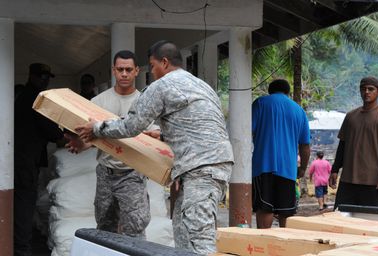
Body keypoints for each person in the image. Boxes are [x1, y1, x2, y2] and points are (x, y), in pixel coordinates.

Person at [74, 40, 234, 255]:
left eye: (152, 65)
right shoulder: (200, 85)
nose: (152, 71)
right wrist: (162, 134)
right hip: (212, 165)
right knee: (182, 226)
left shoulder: (163, 85)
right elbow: (199, 124)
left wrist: (97, 128)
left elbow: (130, 126)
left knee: (198, 235)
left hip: (201, 168)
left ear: (164, 62)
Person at [65, 50, 153, 239]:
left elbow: (151, 140)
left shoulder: (144, 103)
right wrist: (82, 144)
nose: (124, 74)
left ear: (137, 71)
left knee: (134, 230)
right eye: (120, 69)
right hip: (106, 172)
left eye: (128, 69)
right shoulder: (98, 102)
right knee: (104, 228)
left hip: (132, 174)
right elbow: (96, 139)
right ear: (113, 70)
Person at [14, 63, 64, 256]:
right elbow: (50, 131)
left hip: (21, 159)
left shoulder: (24, 96)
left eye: (47, 77)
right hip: (25, 162)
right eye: (42, 77)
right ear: (32, 76)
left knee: (22, 203)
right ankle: (22, 249)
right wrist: (66, 138)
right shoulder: (34, 99)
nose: (45, 81)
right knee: (24, 204)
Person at [251, 79, 310, 228]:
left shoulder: (260, 103)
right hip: (288, 170)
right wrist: (302, 168)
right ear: (288, 92)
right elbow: (305, 145)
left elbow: (246, 131)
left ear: (270, 91)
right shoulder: (299, 111)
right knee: (286, 212)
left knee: (265, 208)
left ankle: (264, 247)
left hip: (263, 166)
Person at [329, 76, 378, 209]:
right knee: (342, 215)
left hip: (373, 181)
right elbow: (342, 144)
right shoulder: (350, 116)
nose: (366, 92)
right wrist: (335, 169)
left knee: (371, 221)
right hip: (348, 178)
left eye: (371, 89)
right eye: (363, 89)